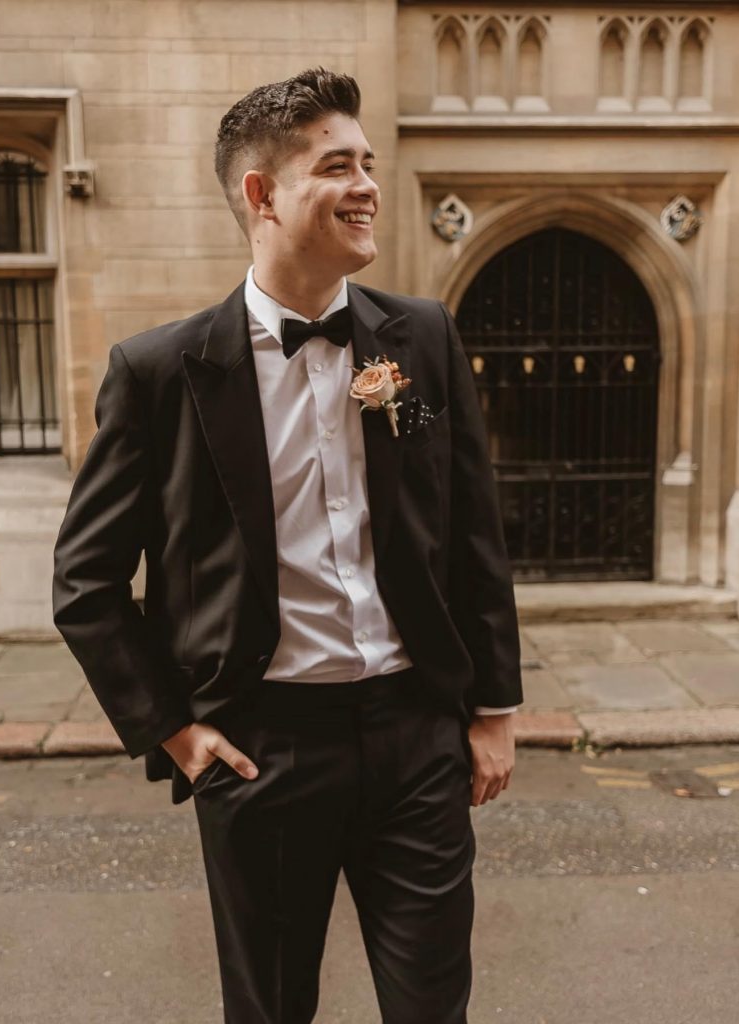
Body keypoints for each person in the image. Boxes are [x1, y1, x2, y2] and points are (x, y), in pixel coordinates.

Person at [52, 66, 523, 1024]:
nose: (367, 186)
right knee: (269, 1009)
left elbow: (471, 530)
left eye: (368, 163)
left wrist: (493, 710)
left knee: (434, 1008)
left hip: (415, 734)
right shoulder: (158, 373)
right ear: (262, 194)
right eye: (336, 166)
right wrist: (176, 732)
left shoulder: (422, 337)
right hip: (261, 749)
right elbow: (86, 582)